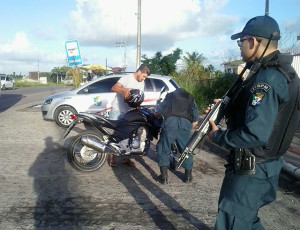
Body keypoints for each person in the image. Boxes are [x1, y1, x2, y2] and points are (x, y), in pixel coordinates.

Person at [207, 15, 300, 229]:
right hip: (268, 165)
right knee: (247, 220)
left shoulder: (266, 78)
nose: (240, 47)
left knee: (233, 222)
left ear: (254, 41)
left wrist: (217, 136)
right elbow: (274, 114)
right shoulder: (287, 74)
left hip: (251, 170)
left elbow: (254, 133)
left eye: (242, 42)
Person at [108, 65, 151, 167]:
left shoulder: (142, 82)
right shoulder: (126, 78)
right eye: (143, 76)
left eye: (145, 78)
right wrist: (124, 90)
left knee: (128, 135)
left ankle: (126, 159)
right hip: (117, 110)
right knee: (113, 134)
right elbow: (113, 88)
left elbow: (138, 96)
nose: (143, 79)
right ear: (139, 72)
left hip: (129, 112)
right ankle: (112, 158)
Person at [155, 88, 199, 184]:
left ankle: (164, 178)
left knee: (163, 148)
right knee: (186, 149)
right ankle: (187, 176)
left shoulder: (170, 96)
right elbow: (196, 117)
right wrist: (190, 125)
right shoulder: (191, 97)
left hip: (169, 124)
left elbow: (160, 110)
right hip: (185, 125)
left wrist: (158, 115)